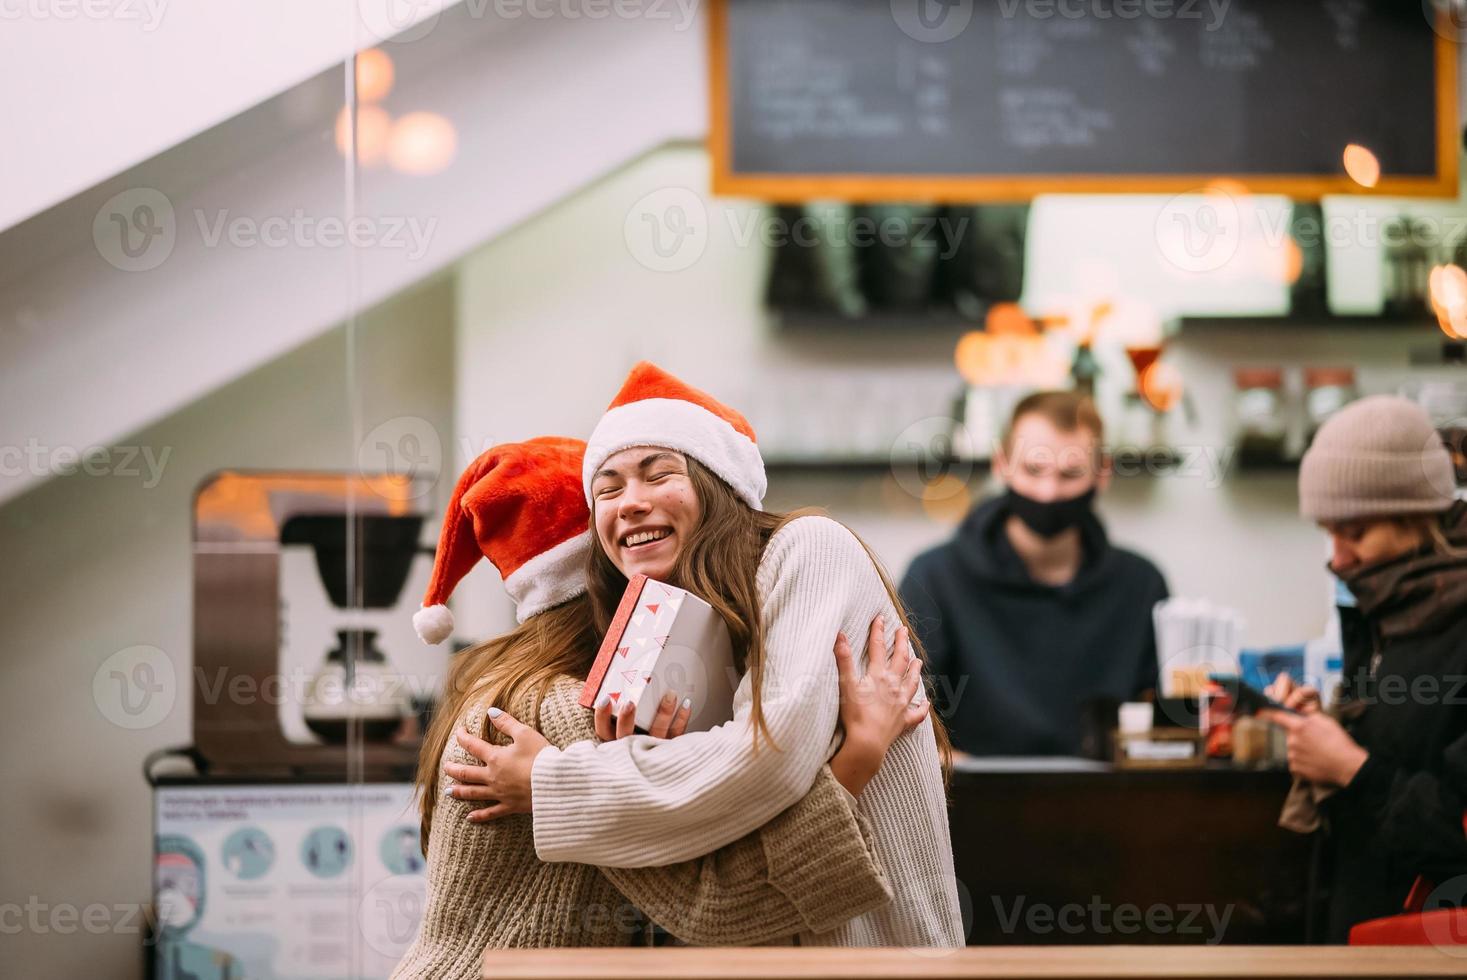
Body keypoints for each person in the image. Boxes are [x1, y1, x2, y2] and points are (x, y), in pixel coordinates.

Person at [447, 364, 965, 948]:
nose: (630, 503)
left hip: (883, 958)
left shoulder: (809, 547)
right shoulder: (687, 634)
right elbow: (726, 874)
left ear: (718, 483)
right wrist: (659, 764)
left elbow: (771, 759)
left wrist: (552, 783)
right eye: (608, 489)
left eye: (657, 474)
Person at [1263, 395, 1467, 943]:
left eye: (1354, 531)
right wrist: (1329, 724)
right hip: (1364, 932)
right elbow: (1403, 741)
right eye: (1328, 531)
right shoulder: (1383, 607)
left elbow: (1456, 831)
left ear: (1419, 515)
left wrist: (1350, 766)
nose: (1338, 556)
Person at [900, 390, 1169, 757]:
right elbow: (905, 720)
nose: (1049, 492)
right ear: (1002, 464)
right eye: (1033, 470)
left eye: (1070, 474)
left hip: (1110, 803)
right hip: (971, 804)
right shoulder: (934, 578)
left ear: (1102, 472)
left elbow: (1167, 724)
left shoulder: (1141, 585)